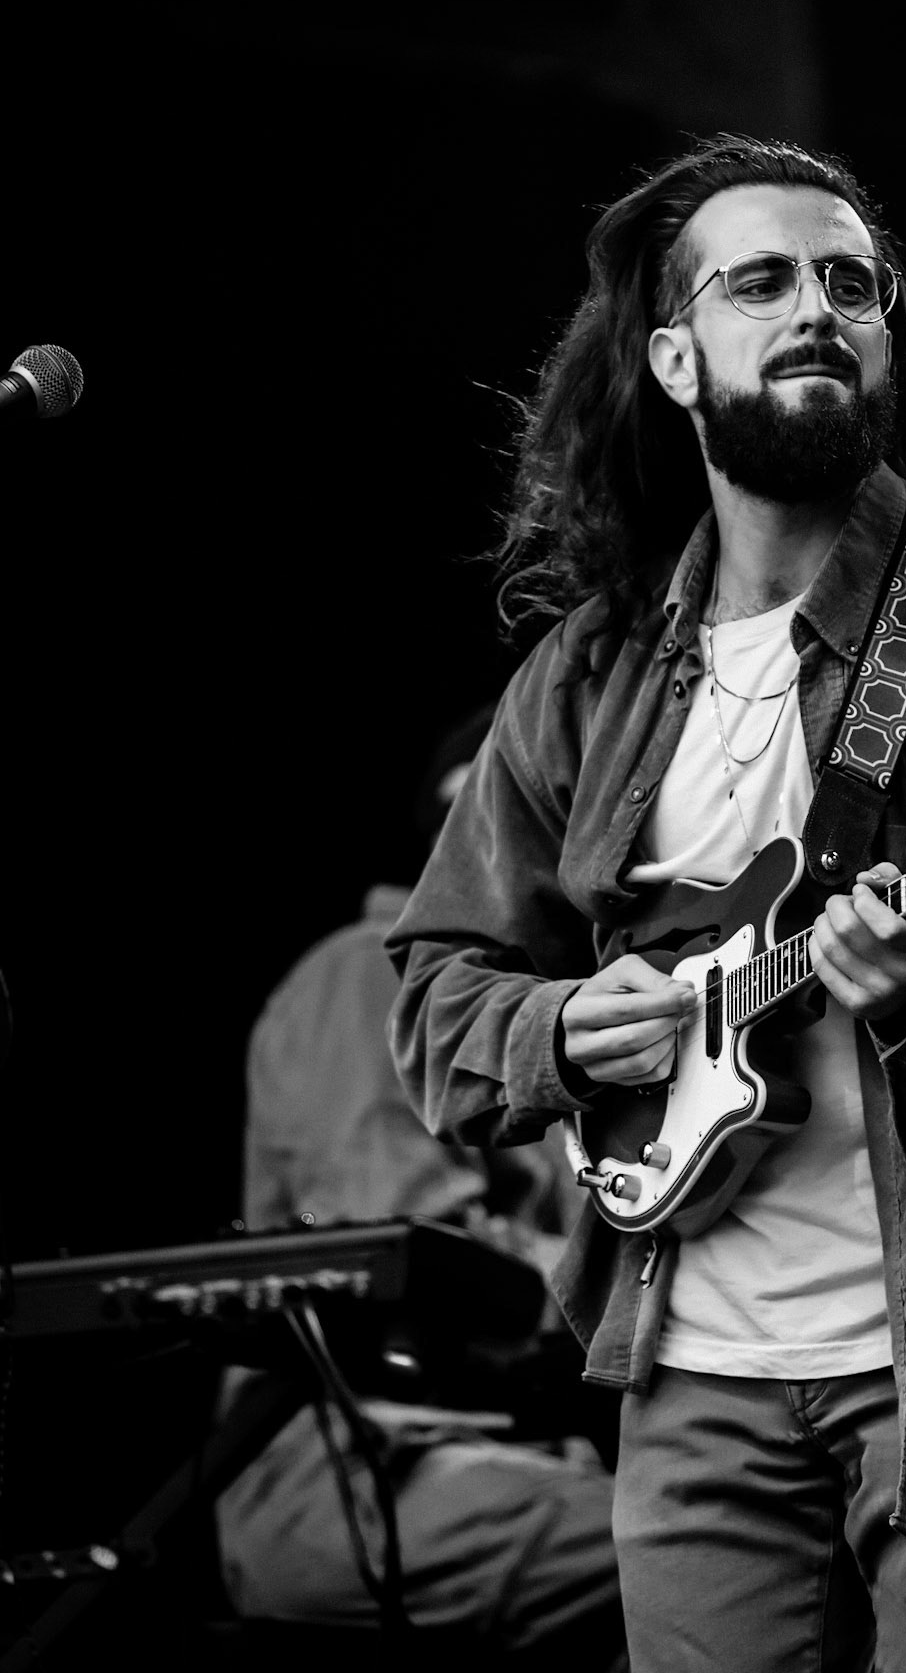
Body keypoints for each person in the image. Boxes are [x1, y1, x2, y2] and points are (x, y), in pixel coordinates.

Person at [385, 134, 906, 1672]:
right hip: (688, 1358)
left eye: (854, 285)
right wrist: (569, 1026)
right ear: (671, 354)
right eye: (761, 282)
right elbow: (437, 993)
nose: (816, 312)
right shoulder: (591, 673)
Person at [214, 708, 626, 1671]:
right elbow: (413, 1272)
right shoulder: (368, 978)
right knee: (707, 1566)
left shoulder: (538, 1019)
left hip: (503, 1467)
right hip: (350, 1477)